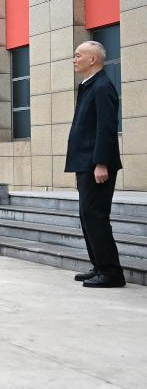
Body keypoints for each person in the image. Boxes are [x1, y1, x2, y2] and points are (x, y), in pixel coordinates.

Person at [67, 41, 125, 288]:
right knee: (87, 215)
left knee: (96, 215)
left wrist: (101, 163)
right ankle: (100, 265)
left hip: (96, 164)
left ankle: (111, 272)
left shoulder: (102, 87)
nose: (74, 59)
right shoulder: (89, 86)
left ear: (93, 60)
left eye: (78, 55)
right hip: (85, 163)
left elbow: (106, 128)